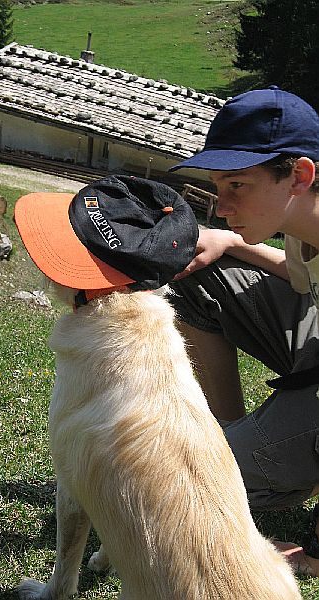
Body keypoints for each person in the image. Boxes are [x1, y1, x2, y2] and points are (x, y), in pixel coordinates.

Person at [168, 86, 319, 576]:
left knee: (190, 484)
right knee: (200, 277)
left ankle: (262, 465)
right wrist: (230, 240)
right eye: (218, 186)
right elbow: (300, 278)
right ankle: (231, 434)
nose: (222, 204)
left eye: (237, 186)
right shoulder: (304, 227)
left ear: (299, 175)